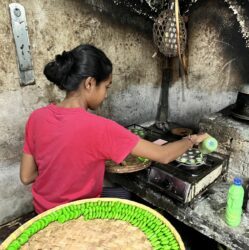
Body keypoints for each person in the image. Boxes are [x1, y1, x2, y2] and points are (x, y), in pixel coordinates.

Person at [20, 44, 209, 214]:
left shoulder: (36, 117)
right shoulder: (100, 127)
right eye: (106, 87)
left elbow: (26, 176)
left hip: (43, 214)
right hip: (78, 217)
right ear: (90, 83)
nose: (106, 95)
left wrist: (57, 170)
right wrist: (191, 140)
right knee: (130, 202)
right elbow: (163, 155)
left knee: (122, 194)